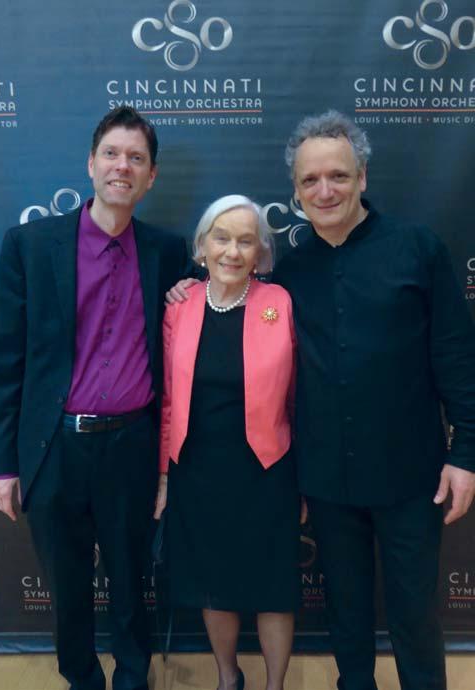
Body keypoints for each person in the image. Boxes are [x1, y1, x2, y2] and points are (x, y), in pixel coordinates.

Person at [166, 112, 475, 690]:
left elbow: (457, 359)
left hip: (411, 475)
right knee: (346, 617)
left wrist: (466, 455)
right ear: (296, 189)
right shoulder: (290, 274)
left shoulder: (418, 249)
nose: (324, 190)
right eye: (310, 180)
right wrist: (186, 281)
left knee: (414, 616)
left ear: (363, 177)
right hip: (327, 480)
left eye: (338, 176)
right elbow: (226, 282)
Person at [0, 106, 188, 690]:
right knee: (67, 588)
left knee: (130, 582)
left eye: (136, 158)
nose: (122, 166)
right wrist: (2, 465)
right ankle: (81, 678)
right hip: (54, 448)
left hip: (131, 446)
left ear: (151, 176)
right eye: (112, 154)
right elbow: (5, 363)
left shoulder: (167, 252)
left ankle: (133, 678)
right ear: (91, 164)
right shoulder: (30, 245)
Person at [154, 195, 301, 690]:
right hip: (198, 469)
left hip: (268, 467)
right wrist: (164, 473)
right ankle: (227, 677)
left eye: (245, 241)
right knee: (213, 584)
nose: (232, 251)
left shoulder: (280, 302)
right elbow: (168, 398)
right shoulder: (180, 306)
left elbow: (301, 395)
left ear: (260, 252)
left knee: (273, 587)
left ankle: (275, 685)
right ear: (201, 246)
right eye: (221, 238)